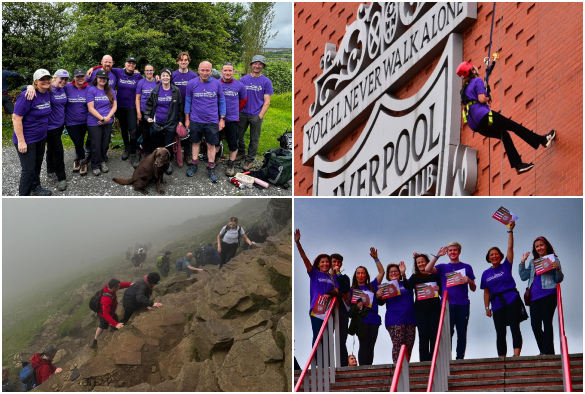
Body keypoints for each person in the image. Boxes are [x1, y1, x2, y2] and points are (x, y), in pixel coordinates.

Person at [457, 61, 555, 175]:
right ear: (472, 71)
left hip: (476, 126)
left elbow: (473, 101)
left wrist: (486, 93)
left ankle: (518, 165)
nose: (476, 68)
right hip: (484, 116)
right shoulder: (477, 81)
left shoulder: (464, 90)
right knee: (514, 126)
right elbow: (482, 99)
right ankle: (542, 140)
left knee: (505, 135)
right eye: (474, 67)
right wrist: (488, 96)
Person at [480, 221, 525, 357]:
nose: (494, 256)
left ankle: (516, 356)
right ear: (488, 258)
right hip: (497, 304)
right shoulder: (486, 274)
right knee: (500, 332)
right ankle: (502, 358)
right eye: (491, 255)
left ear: (500, 256)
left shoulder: (506, 265)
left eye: (496, 254)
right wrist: (487, 308)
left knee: (514, 327)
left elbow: (510, 248)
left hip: (512, 300)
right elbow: (486, 292)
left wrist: (510, 231)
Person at [425, 242, 476, 360]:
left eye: (455, 250)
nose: (453, 252)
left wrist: (469, 280)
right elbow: (427, 269)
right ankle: (447, 358)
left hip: (462, 304)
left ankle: (460, 358)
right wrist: (437, 256)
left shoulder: (467, 267)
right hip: (447, 304)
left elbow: (473, 288)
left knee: (462, 332)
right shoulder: (443, 267)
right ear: (447, 253)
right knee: (448, 333)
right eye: (450, 251)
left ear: (459, 252)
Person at [89, 57, 144, 165]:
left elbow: (147, 80)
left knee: (133, 131)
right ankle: (127, 148)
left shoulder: (138, 76)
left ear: (135, 66)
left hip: (131, 107)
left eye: (133, 63)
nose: (131, 65)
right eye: (129, 63)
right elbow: (107, 66)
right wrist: (93, 67)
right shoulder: (119, 71)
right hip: (120, 106)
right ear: (125, 64)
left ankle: (133, 153)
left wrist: (157, 77)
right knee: (124, 129)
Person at [294, 229, 339, 360]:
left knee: (327, 336)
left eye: (327, 262)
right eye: (322, 262)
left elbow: (337, 291)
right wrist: (298, 243)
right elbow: (304, 258)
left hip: (329, 309)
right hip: (316, 308)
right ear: (318, 264)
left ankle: (326, 360)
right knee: (317, 334)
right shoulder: (314, 273)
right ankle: (316, 361)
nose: (325, 264)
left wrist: (330, 295)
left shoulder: (332, 277)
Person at [519, 235, 564, 355]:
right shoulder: (533, 262)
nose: (539, 248)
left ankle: (546, 352)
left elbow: (559, 279)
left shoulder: (553, 259)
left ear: (546, 246)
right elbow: (524, 276)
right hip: (534, 297)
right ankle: (546, 350)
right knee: (535, 325)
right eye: (537, 246)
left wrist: (557, 269)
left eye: (541, 245)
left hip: (549, 294)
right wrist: (522, 262)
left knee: (547, 322)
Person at [25, 69, 69, 191]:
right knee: (59, 151)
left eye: (66, 79)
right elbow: (31, 86)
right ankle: (61, 178)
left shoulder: (63, 88)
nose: (64, 81)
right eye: (61, 78)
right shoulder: (47, 89)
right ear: (55, 77)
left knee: (51, 149)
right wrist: (29, 86)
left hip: (60, 125)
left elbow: (82, 81)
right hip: (49, 126)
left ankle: (50, 170)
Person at [12, 69, 53, 196]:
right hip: (27, 139)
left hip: (41, 137)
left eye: (48, 78)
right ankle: (23, 199)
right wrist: (21, 141)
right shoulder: (27, 95)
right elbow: (16, 118)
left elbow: (63, 82)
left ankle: (35, 187)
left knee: (37, 164)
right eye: (42, 79)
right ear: (36, 82)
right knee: (28, 171)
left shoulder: (47, 93)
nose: (46, 81)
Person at [184, 61, 226, 182]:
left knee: (211, 145)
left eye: (207, 70)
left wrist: (222, 119)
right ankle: (194, 164)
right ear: (198, 70)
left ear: (211, 71)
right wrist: (187, 118)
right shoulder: (192, 83)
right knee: (195, 142)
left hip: (212, 120)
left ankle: (211, 167)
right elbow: (188, 101)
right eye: (202, 70)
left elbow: (222, 102)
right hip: (195, 119)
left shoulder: (217, 84)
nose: (205, 73)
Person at [348, 248, 385, 366]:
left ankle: (369, 366)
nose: (360, 275)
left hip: (373, 318)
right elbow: (348, 306)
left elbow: (381, 272)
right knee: (363, 343)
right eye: (358, 273)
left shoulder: (372, 286)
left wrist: (376, 258)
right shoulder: (352, 289)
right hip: (361, 319)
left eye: (362, 273)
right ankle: (363, 367)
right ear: (355, 275)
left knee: (371, 344)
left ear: (366, 275)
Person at [144, 67, 184, 175]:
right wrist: (147, 117)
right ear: (160, 77)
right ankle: (156, 162)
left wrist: (180, 121)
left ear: (170, 77)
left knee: (168, 144)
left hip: (171, 123)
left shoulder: (176, 91)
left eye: (167, 75)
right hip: (157, 122)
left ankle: (168, 162)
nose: (165, 77)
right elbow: (149, 105)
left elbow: (180, 107)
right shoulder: (156, 90)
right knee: (157, 144)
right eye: (163, 76)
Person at [402, 253, 442, 362]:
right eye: (418, 262)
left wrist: (439, 289)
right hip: (420, 311)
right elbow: (407, 286)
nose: (421, 264)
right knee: (423, 336)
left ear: (427, 262)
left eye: (422, 262)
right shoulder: (415, 277)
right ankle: (424, 361)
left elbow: (442, 291)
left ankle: (435, 359)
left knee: (434, 335)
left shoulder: (434, 275)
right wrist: (403, 274)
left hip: (434, 309)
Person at [237, 55, 273, 171]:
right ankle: (241, 152)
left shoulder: (266, 81)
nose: (257, 66)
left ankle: (249, 160)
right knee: (238, 135)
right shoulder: (243, 80)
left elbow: (267, 101)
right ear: (252, 65)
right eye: (255, 63)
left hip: (256, 115)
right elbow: (238, 96)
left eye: (260, 64)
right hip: (242, 113)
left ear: (262, 66)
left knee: (254, 139)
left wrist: (260, 115)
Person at [376, 260, 416, 364]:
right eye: (391, 272)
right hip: (395, 320)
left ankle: (405, 369)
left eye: (396, 271)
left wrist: (404, 273)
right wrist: (378, 295)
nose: (394, 273)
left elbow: (413, 281)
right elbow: (380, 302)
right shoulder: (386, 286)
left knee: (409, 346)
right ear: (388, 275)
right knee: (398, 345)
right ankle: (397, 368)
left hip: (410, 319)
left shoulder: (407, 283)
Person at [87, 69, 117, 176]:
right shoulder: (92, 90)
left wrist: (108, 118)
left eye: (104, 78)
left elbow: (114, 106)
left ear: (107, 80)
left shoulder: (111, 91)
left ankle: (103, 161)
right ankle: (95, 165)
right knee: (96, 144)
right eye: (100, 78)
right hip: (94, 122)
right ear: (96, 79)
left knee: (105, 143)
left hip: (107, 121)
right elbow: (90, 108)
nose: (102, 80)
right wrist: (102, 118)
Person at [219, 62, 247, 176]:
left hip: (232, 119)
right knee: (215, 141)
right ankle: (215, 158)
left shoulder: (240, 86)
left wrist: (234, 111)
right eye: (225, 70)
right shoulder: (215, 84)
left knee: (232, 142)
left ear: (234, 72)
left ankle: (231, 163)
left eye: (230, 70)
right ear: (221, 72)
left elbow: (243, 101)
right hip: (217, 118)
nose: (227, 72)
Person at [90, 278, 132, 349]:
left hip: (109, 312)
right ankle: (95, 340)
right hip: (104, 315)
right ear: (113, 288)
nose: (119, 287)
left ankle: (112, 329)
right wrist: (116, 324)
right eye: (118, 287)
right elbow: (106, 315)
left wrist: (130, 284)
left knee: (105, 324)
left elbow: (120, 285)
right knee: (102, 326)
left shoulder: (108, 287)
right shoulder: (106, 299)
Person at [172, 52, 198, 163]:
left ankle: (187, 154)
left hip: (189, 107)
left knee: (188, 131)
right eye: (181, 60)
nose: (183, 62)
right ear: (177, 61)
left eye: (186, 60)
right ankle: (174, 154)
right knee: (174, 131)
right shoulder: (173, 75)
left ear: (188, 61)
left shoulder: (193, 76)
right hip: (175, 107)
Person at [64, 68, 91, 176]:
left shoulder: (89, 88)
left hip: (84, 121)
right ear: (74, 78)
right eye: (78, 76)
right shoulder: (67, 87)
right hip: (70, 121)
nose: (80, 78)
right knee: (78, 141)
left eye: (82, 76)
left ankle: (76, 158)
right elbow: (52, 87)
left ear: (85, 77)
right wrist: (29, 87)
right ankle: (83, 161)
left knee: (79, 140)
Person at [330, 253, 350, 367]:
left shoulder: (344, 277)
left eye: (338, 262)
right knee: (326, 338)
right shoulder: (325, 277)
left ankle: (343, 365)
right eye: (334, 262)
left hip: (341, 311)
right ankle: (326, 364)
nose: (336, 264)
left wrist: (338, 274)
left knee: (341, 339)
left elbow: (344, 288)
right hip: (327, 310)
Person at [135, 64, 159, 157]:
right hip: (143, 111)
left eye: (151, 70)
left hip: (155, 112)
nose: (149, 72)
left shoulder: (158, 82)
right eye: (147, 70)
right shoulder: (141, 82)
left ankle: (155, 151)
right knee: (145, 133)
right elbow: (137, 98)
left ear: (153, 71)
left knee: (155, 132)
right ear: (144, 72)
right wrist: (138, 112)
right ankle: (147, 152)